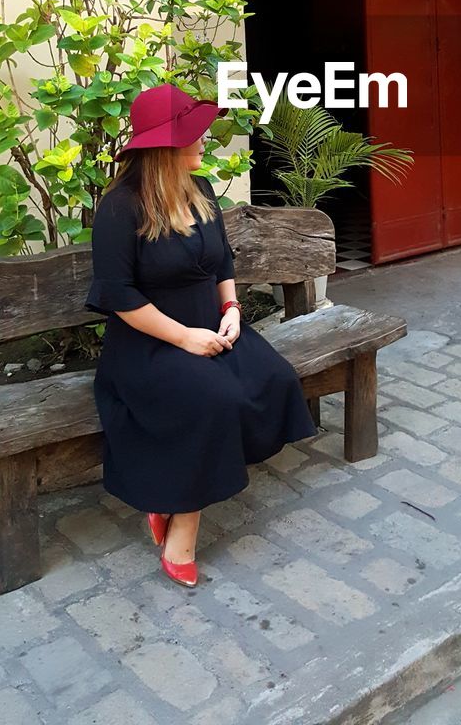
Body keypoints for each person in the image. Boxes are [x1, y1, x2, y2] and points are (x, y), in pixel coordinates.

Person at [85, 82, 319, 588]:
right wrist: (184, 338)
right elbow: (117, 294)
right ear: (165, 146)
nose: (205, 141)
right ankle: (181, 526)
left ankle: (168, 492)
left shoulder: (203, 190)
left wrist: (231, 307)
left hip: (211, 328)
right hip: (149, 344)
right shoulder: (121, 208)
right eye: (194, 134)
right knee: (215, 400)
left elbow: (222, 261)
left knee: (274, 377)